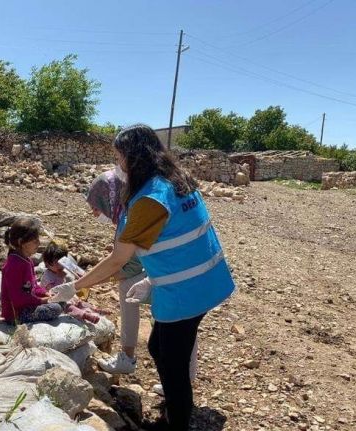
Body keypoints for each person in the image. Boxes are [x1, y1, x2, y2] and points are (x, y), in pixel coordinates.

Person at [51, 124, 235, 430]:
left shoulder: (149, 199)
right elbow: (179, 236)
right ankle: (174, 409)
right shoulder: (175, 181)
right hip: (205, 282)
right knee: (157, 347)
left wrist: (75, 286)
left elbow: (118, 260)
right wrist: (151, 278)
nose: (118, 164)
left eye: (119, 156)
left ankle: (175, 421)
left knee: (174, 367)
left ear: (133, 157)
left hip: (186, 293)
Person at [85, 170, 147, 373]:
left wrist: (87, 282)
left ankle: (127, 358)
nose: (94, 213)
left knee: (128, 287)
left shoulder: (128, 219)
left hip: (170, 277)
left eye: (95, 206)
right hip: (182, 274)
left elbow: (130, 266)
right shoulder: (127, 213)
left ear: (108, 199)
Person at [0, 217, 62, 324]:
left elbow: (33, 286)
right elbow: (17, 298)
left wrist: (46, 293)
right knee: (56, 308)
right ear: (21, 242)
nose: (38, 243)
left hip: (27, 305)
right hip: (16, 313)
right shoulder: (14, 265)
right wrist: (42, 301)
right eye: (35, 241)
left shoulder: (27, 260)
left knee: (60, 300)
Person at [38, 240, 105, 324]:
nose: (60, 265)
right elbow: (53, 292)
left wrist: (79, 276)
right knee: (68, 306)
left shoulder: (64, 272)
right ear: (47, 264)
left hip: (65, 295)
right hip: (54, 298)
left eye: (62, 262)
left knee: (80, 302)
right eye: (55, 263)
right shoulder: (47, 275)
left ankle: (95, 309)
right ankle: (84, 315)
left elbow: (71, 285)